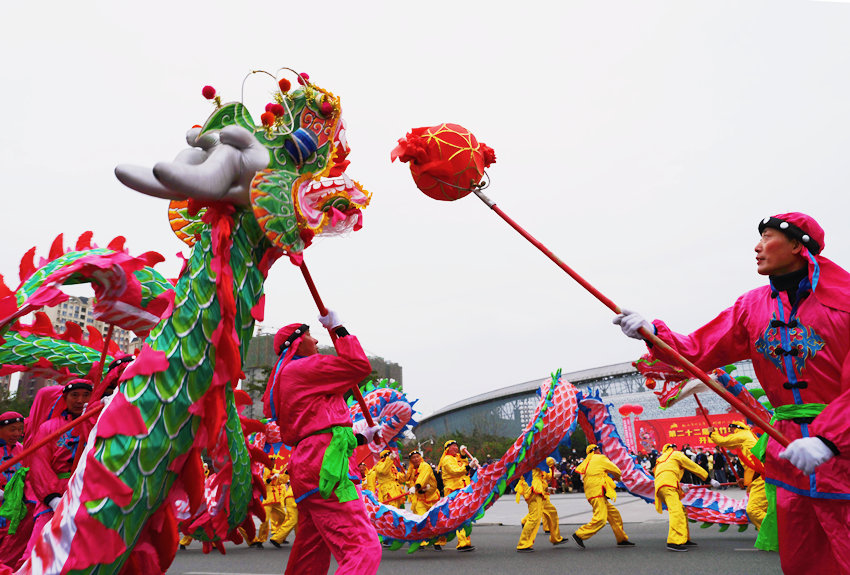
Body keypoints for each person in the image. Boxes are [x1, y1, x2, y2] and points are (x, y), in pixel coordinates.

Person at [614, 213, 850, 570]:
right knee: (802, 559)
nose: (757, 247)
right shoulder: (751, 307)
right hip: (787, 450)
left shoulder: (844, 301)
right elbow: (698, 350)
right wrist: (653, 333)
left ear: (798, 246)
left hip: (842, 450)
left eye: (767, 237)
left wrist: (830, 439)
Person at [263, 314, 382, 575]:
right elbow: (357, 366)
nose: (316, 339)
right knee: (364, 548)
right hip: (328, 470)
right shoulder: (304, 367)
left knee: (310, 556)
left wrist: (364, 437)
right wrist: (338, 329)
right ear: (295, 344)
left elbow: (320, 425)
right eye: (309, 335)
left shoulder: (289, 376)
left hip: (310, 465)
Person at [24, 379, 95, 558]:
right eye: (75, 395)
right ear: (65, 398)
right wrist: (52, 498)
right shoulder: (48, 427)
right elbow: (39, 463)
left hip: (86, 492)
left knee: (81, 552)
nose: (80, 400)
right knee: (38, 550)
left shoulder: (97, 423)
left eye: (86, 395)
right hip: (53, 495)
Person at [572, 444, 634, 549]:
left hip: (592, 493)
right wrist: (618, 478)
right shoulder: (599, 458)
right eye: (598, 449)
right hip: (597, 492)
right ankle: (580, 534)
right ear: (595, 451)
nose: (600, 451)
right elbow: (616, 470)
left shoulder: (586, 462)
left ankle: (621, 539)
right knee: (601, 519)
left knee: (614, 515)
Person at [652, 443, 710, 551]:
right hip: (668, 486)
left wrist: (680, 487)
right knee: (677, 512)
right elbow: (693, 466)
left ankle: (684, 538)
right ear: (673, 448)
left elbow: (666, 473)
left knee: (681, 510)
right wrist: (708, 478)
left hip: (661, 487)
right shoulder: (676, 454)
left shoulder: (660, 459)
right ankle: (674, 542)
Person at [709, 422, 767, 529]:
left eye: (731, 429)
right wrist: (744, 480)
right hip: (761, 475)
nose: (730, 432)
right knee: (766, 510)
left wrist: (712, 433)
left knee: (753, 510)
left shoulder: (743, 434)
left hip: (762, 477)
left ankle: (775, 534)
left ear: (737, 428)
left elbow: (723, 441)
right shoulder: (748, 435)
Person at [0, 412, 33, 569]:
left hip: (15, 509)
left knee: (10, 547)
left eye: (20, 429)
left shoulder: (22, 449)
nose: (17, 434)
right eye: (12, 429)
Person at [437, 440, 475, 552]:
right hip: (453, 492)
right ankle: (462, 543)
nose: (456, 448)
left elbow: (462, 462)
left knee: (459, 517)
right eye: (453, 446)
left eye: (456, 446)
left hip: (462, 490)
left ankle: (442, 540)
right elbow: (455, 471)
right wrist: (468, 467)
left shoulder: (456, 457)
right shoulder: (446, 459)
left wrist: (463, 455)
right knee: (457, 517)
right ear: (447, 449)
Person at [516, 467, 565, 552]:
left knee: (552, 512)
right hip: (534, 491)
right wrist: (550, 463)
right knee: (534, 517)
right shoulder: (531, 459)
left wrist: (551, 470)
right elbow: (544, 473)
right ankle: (523, 544)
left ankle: (556, 538)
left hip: (539, 490)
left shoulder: (537, 461)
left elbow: (546, 475)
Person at [404, 450, 441, 549]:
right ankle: (421, 541)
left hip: (432, 498)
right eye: (413, 458)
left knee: (433, 520)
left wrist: (417, 487)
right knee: (420, 519)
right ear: (411, 460)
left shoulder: (425, 466)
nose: (416, 459)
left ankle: (435, 542)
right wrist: (412, 486)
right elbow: (409, 481)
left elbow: (422, 479)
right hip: (420, 499)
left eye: (417, 456)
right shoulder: (411, 469)